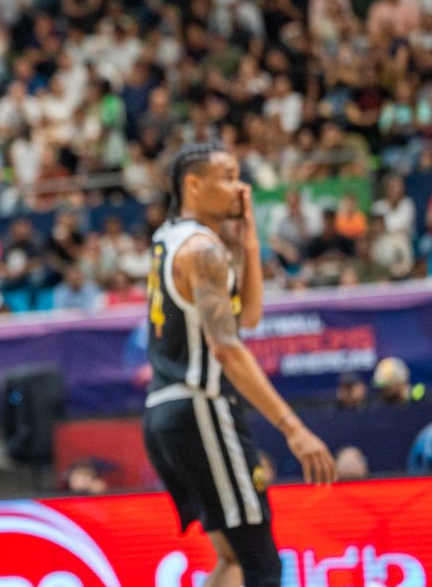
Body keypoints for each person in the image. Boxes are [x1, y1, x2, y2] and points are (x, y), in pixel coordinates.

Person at [144, 142, 334, 587]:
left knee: (232, 560)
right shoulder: (203, 251)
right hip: (202, 407)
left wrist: (249, 239)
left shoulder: (171, 237)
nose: (240, 188)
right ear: (193, 184)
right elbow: (228, 348)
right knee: (260, 566)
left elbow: (247, 316)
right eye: (228, 177)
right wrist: (293, 429)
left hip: (166, 412)